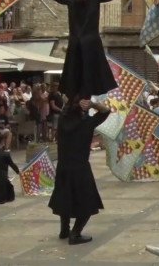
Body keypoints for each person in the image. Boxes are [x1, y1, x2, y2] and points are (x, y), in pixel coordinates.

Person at [37, 0, 142, 99]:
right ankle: (85, 100)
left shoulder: (71, 1)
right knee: (93, 74)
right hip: (91, 43)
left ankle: (76, 99)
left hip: (75, 43)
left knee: (75, 74)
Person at [49, 96, 112, 245]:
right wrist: (93, 104)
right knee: (87, 202)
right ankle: (75, 233)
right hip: (80, 167)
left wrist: (73, 101)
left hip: (63, 166)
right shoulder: (86, 123)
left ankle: (64, 230)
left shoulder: (63, 121)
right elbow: (106, 111)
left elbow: (66, 107)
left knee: (65, 197)